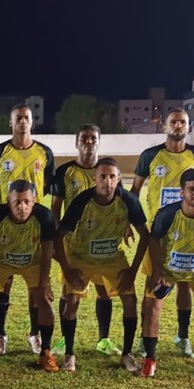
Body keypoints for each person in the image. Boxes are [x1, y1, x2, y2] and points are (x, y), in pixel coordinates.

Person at [54, 158, 149, 372]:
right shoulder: (82, 201)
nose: (107, 181)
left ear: (118, 179)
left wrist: (132, 271)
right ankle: (69, 354)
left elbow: (145, 235)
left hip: (112, 257)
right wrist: (67, 270)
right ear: (95, 179)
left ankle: (126, 354)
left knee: (130, 301)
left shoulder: (128, 201)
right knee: (72, 302)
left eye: (112, 177)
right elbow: (59, 236)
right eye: (103, 177)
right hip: (81, 255)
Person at [132, 109, 194, 358]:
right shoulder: (150, 156)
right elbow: (134, 191)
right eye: (173, 122)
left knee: (185, 286)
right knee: (151, 285)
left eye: (183, 122)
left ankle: (183, 336)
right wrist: (130, 221)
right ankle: (145, 340)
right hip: (159, 233)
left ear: (189, 127)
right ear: (164, 126)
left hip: (191, 230)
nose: (178, 126)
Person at [140, 169, 194, 379]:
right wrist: (158, 271)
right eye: (191, 189)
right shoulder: (168, 214)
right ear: (182, 192)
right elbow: (154, 240)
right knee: (153, 308)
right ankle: (150, 359)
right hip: (169, 270)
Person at [0, 105, 56, 355]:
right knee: (3, 283)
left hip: (33, 226)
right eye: (18, 118)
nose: (23, 122)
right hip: (6, 223)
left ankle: (35, 335)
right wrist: (5, 203)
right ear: (11, 122)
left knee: (34, 285)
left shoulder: (44, 152)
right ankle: (1, 334)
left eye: (27, 118)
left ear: (32, 122)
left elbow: (48, 184)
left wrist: (30, 206)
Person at [52, 124, 123, 357]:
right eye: (84, 138)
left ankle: (103, 340)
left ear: (99, 142)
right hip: (74, 245)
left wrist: (126, 228)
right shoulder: (65, 172)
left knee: (103, 291)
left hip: (102, 243)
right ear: (77, 142)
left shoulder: (109, 170)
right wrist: (56, 239)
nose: (89, 142)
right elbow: (55, 207)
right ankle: (64, 341)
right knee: (69, 293)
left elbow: (120, 204)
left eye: (93, 138)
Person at [0, 180, 58, 373]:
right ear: (7, 201)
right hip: (0, 262)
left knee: (44, 299)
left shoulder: (44, 217)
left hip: (32, 263)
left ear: (34, 200)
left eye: (27, 202)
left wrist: (44, 282)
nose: (22, 206)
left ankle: (45, 352)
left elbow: (47, 251)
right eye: (17, 202)